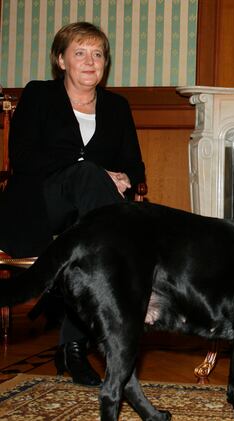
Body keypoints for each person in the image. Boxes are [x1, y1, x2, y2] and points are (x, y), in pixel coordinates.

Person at [0, 22, 145, 386]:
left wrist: (123, 176)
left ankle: (72, 346)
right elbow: (24, 157)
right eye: (79, 52)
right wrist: (93, 170)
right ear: (60, 60)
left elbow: (135, 166)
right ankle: (120, 314)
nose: (90, 61)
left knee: (93, 247)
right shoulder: (39, 95)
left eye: (98, 54)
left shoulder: (117, 107)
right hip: (38, 206)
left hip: (87, 216)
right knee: (98, 203)